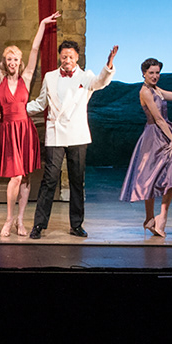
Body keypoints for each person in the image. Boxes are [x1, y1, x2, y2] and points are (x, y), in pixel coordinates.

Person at [0, 5, 57, 238]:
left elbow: (35, 48)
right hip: (8, 131)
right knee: (15, 176)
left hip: (25, 130)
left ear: (19, 61)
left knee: (25, 177)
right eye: (9, 59)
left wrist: (42, 25)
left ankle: (20, 221)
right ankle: (9, 219)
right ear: (5, 62)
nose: (12, 62)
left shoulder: (26, 77)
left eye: (15, 59)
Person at [26, 39, 118, 239]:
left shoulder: (86, 76)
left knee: (77, 180)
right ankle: (39, 225)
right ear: (60, 57)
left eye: (70, 57)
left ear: (77, 58)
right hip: (55, 134)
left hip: (77, 134)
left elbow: (101, 82)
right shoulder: (50, 77)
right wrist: (18, 109)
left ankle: (76, 225)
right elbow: (41, 103)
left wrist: (109, 65)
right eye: (64, 56)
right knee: (49, 179)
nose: (67, 60)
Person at [119, 58, 172, 238]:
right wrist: (171, 138)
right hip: (154, 137)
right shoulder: (145, 91)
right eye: (151, 73)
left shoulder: (156, 90)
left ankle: (159, 218)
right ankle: (151, 218)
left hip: (164, 133)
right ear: (144, 73)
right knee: (150, 178)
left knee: (171, 175)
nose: (155, 76)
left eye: (157, 72)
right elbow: (158, 118)